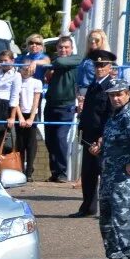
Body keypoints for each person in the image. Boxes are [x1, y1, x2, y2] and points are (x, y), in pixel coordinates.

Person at [87, 78, 130, 259]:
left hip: (122, 177)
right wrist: (98, 148)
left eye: (119, 94)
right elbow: (113, 142)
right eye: (112, 95)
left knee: (124, 219)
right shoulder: (114, 117)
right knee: (106, 221)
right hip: (108, 174)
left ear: (127, 94)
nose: (116, 98)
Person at [72, 51, 116, 218]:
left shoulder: (111, 87)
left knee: (105, 176)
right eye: (96, 65)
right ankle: (88, 207)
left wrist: (102, 139)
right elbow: (89, 113)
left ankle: (108, 210)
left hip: (103, 138)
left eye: (102, 65)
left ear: (109, 67)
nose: (99, 68)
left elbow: (110, 114)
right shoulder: (92, 86)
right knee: (88, 174)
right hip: (89, 137)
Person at [44, 36, 82, 183]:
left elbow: (60, 61)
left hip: (66, 106)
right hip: (51, 104)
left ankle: (63, 173)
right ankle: (55, 172)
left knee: (60, 138)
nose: (63, 50)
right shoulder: (55, 62)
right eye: (60, 47)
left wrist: (51, 64)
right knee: (50, 140)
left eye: (66, 47)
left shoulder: (75, 59)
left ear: (71, 48)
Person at [15, 62, 43, 181]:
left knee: (31, 143)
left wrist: (31, 118)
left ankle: (29, 171)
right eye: (23, 68)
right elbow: (15, 99)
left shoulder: (37, 82)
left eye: (28, 68)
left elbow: (36, 101)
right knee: (20, 143)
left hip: (32, 114)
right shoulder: (17, 81)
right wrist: (20, 117)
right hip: (19, 113)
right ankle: (20, 169)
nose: (26, 70)